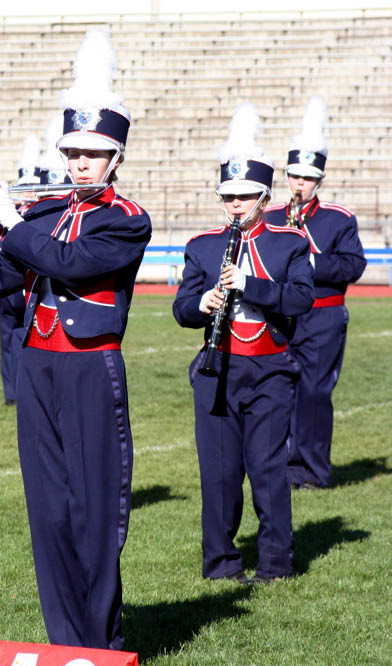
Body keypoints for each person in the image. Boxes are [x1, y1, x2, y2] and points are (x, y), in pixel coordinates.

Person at [0, 29, 151, 649]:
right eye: (73, 152)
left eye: (93, 153)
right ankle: (65, 642)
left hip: (90, 369)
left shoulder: (125, 219)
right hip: (38, 370)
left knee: (94, 514)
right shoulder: (45, 213)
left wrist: (13, 222)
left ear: (115, 157)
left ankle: (101, 644)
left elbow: (72, 264)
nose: (79, 163)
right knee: (50, 513)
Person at [173, 103, 314, 583]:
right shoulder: (203, 246)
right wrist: (204, 302)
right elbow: (180, 309)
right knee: (218, 474)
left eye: (245, 196)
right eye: (228, 196)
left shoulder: (288, 243)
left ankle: (275, 562)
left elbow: (299, 300)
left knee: (268, 469)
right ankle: (220, 563)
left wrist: (249, 284)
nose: (235, 205)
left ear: (264, 195)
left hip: (270, 370)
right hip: (217, 372)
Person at [264, 97, 366, 489]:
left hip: (323, 317)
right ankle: (283, 466)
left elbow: (353, 266)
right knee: (279, 390)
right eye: (293, 177)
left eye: (306, 179)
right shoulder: (272, 217)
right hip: (283, 314)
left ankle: (313, 470)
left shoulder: (338, 219)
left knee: (314, 393)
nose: (298, 185)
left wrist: (311, 263)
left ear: (318, 180)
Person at [0, 134, 41, 406]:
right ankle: (11, 393)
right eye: (24, 188)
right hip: (6, 289)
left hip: (27, 287)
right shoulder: (6, 214)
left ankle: (25, 390)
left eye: (33, 187)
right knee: (6, 341)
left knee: (27, 339)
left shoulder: (38, 215)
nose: (28, 193)